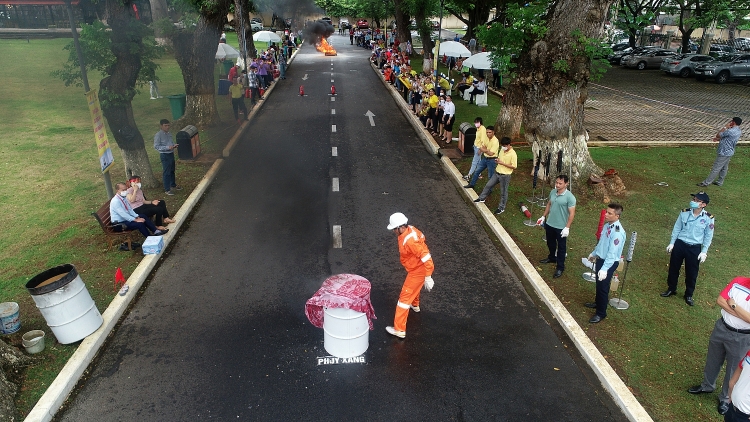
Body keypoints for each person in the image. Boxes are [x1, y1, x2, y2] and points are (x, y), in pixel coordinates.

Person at [687, 276, 750, 417]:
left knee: (733, 368)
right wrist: (742, 314)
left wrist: (733, 305)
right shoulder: (738, 281)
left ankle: (725, 399)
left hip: (742, 337)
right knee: (713, 359)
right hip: (721, 327)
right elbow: (720, 300)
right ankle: (707, 385)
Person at [385, 213, 435, 339]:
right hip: (416, 268)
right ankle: (415, 305)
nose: (393, 232)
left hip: (417, 270)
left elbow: (427, 257)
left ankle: (399, 329)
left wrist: (428, 276)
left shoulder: (410, 241)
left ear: (401, 227)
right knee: (414, 289)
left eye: (394, 229)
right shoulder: (409, 230)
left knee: (404, 299)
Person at [661, 191, 715, 306]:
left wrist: (704, 251)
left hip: (694, 248)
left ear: (703, 204)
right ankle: (671, 288)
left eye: (697, 200)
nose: (693, 202)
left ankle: (689, 294)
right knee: (673, 268)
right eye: (694, 199)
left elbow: (708, 236)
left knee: (691, 272)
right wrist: (672, 243)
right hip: (680, 244)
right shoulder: (684, 213)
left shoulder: (708, 218)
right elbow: (677, 228)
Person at [583, 204, 625, 323]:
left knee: (603, 288)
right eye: (606, 212)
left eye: (609, 213)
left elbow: (612, 253)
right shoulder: (608, 226)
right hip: (601, 259)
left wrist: (605, 269)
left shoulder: (617, 232)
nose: (606, 214)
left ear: (617, 216)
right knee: (599, 284)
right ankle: (598, 303)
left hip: (609, 263)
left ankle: (601, 313)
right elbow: (602, 243)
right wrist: (594, 253)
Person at [536, 175, 576, 278]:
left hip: (561, 227)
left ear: (566, 184)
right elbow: (549, 204)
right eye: (556, 183)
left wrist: (567, 227)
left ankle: (560, 267)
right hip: (550, 224)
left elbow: (572, 213)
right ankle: (552, 257)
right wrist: (543, 216)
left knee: (561, 248)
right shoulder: (553, 192)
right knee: (550, 243)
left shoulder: (570, 197)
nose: (557, 185)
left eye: (560, 183)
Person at [473, 137, 516, 214]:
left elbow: (514, 166)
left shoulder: (513, 154)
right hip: (497, 173)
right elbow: (499, 158)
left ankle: (501, 207)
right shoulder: (502, 150)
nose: (503, 147)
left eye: (505, 146)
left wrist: (502, 163)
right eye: (502, 145)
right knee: (488, 185)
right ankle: (482, 198)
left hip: (505, 176)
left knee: (503, 192)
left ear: (509, 145)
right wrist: (498, 160)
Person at [698, 117, 742, 187]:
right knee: (724, 168)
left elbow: (718, 134)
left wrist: (725, 127)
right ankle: (720, 181)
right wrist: (719, 139)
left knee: (716, 168)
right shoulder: (738, 131)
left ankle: (706, 183)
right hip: (730, 151)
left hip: (723, 152)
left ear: (733, 122)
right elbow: (728, 139)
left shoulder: (730, 131)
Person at [153, 119, 181, 195]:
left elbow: (170, 143)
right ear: (161, 126)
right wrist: (168, 147)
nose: (167, 127)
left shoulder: (169, 134)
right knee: (167, 172)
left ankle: (173, 185)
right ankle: (167, 189)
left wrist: (173, 146)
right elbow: (156, 146)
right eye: (165, 126)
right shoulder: (158, 135)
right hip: (165, 155)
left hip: (171, 154)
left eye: (168, 125)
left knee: (172, 171)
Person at [463, 116, 489, 181]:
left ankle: (469, 175)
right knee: (478, 161)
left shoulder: (483, 129)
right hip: (476, 146)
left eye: (477, 122)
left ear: (480, 123)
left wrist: (481, 149)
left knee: (474, 161)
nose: (476, 124)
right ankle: (479, 174)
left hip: (479, 148)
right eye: (475, 122)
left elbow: (483, 140)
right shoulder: (478, 128)